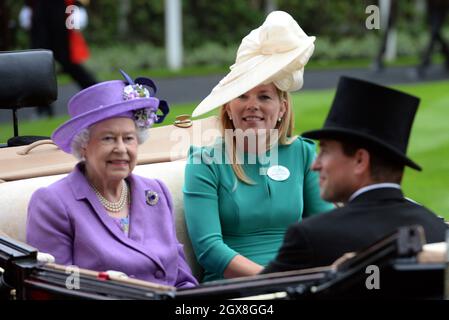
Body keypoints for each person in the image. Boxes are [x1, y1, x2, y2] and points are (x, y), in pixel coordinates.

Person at [183, 11, 334, 282]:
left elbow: (326, 228)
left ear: (281, 108)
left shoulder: (303, 153)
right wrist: (272, 278)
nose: (252, 105)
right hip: (232, 286)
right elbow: (209, 250)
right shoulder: (204, 162)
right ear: (228, 107)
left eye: (264, 96)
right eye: (242, 95)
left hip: (297, 281)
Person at [26, 70, 198, 288]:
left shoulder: (156, 192)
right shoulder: (53, 202)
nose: (121, 149)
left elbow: (182, 278)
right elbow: (51, 284)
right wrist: (105, 284)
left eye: (128, 138)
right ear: (84, 145)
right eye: (108, 138)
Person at [262, 76, 448, 274]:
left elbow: (253, 298)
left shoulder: (312, 236)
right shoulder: (437, 230)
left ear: (360, 161)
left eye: (324, 151)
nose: (316, 165)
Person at [21, 0, 97, 117]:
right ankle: (43, 108)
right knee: (38, 62)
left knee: (69, 61)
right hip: (39, 12)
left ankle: (97, 92)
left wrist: (78, 5)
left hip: (61, 12)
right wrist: (27, 5)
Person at [416, 0, 449, 77]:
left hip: (441, 7)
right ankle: (447, 55)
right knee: (435, 34)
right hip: (432, 8)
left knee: (434, 33)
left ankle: (424, 62)